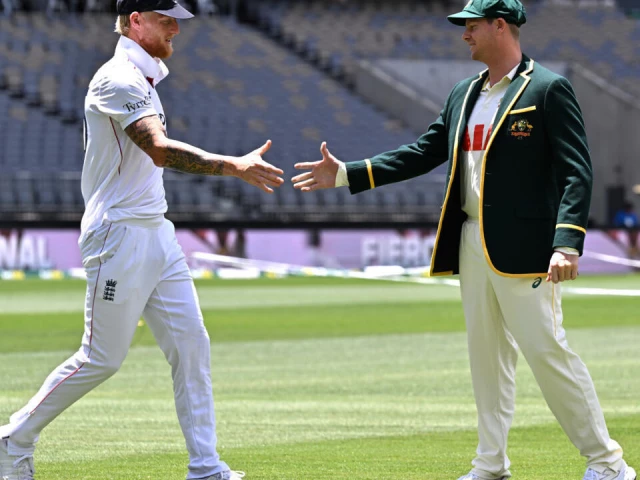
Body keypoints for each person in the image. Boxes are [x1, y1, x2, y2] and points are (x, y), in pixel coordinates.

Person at [291, 1, 636, 479]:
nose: (464, 35)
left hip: (527, 249)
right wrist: (349, 173)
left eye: (471, 26)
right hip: (471, 242)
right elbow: (424, 150)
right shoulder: (463, 93)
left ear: (501, 26)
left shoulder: (548, 89)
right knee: (486, 360)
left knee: (548, 354)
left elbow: (578, 172)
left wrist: (567, 241)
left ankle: (609, 464)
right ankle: (490, 465)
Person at [0, 0, 284, 478]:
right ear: (135, 21)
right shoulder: (118, 78)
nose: (175, 27)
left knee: (192, 346)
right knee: (101, 358)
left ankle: (206, 468)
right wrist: (232, 165)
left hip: (155, 230)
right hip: (119, 233)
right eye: (164, 18)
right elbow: (157, 149)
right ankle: (13, 439)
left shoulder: (144, 77)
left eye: (177, 19)